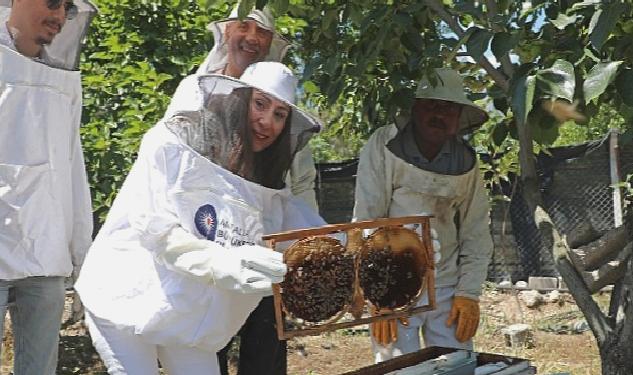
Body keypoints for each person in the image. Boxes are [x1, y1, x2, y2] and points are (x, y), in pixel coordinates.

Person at [75, 61, 325, 375]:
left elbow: (308, 232)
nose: (267, 122)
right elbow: (157, 229)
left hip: (184, 318)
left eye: (279, 114)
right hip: (125, 297)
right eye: (260, 104)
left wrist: (356, 247)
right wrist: (220, 263)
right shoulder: (171, 145)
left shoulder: (268, 190)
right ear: (238, 100)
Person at [166, 6, 317, 374]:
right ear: (226, 33)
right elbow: (171, 185)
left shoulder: (283, 111)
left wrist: (311, 247)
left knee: (264, 356)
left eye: (261, 31)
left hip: (264, 257)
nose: (251, 37)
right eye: (243, 27)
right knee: (205, 353)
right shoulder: (193, 92)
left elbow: (298, 191)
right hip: (206, 255)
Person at [353, 68, 494, 363]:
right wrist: (379, 296)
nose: (439, 114)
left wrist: (468, 293)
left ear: (458, 118)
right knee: (397, 367)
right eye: (432, 104)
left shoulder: (466, 161)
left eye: (448, 108)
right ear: (415, 108)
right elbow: (368, 221)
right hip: (394, 282)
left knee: (456, 365)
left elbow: (476, 230)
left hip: (447, 285)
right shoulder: (383, 145)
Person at [0, 0, 96, 373]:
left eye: (67, 9)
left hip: (46, 256)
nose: (59, 17)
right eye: (52, 3)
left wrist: (79, 252)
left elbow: (73, 167)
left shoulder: (62, 77)